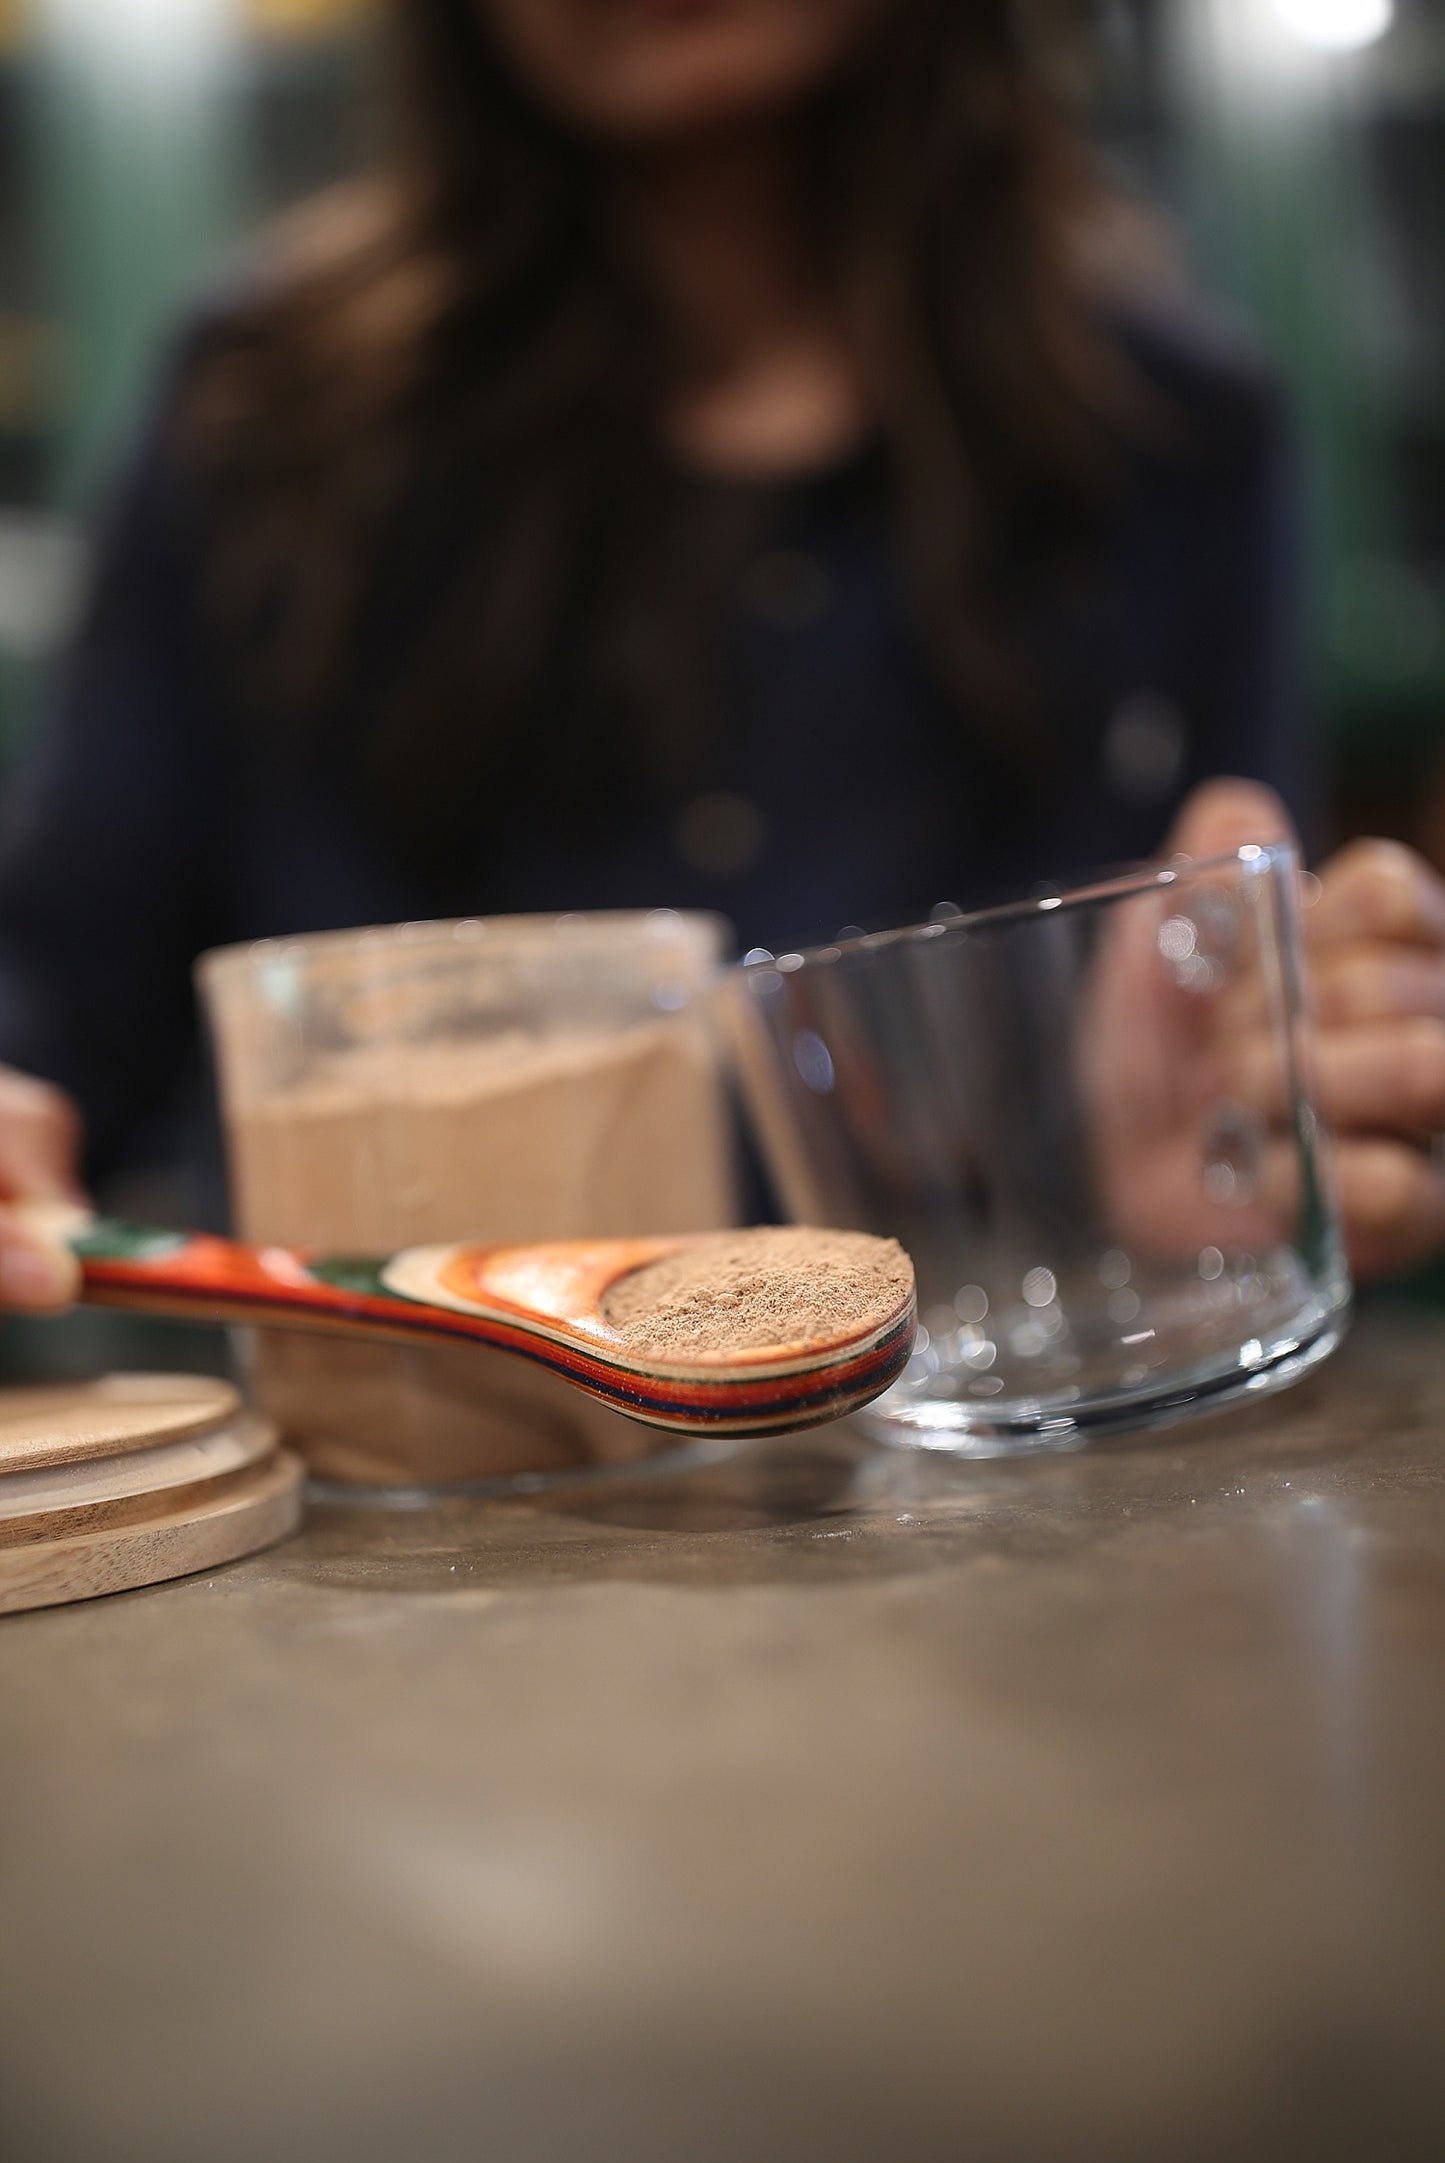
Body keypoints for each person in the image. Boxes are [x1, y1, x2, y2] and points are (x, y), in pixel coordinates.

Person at [0, 0, 1441, 1316]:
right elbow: (64, 1008)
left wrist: (1283, 1108)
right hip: (412, 1492)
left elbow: (1224, 1036)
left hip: (1013, 1442)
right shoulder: (265, 415)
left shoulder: (1172, 438)